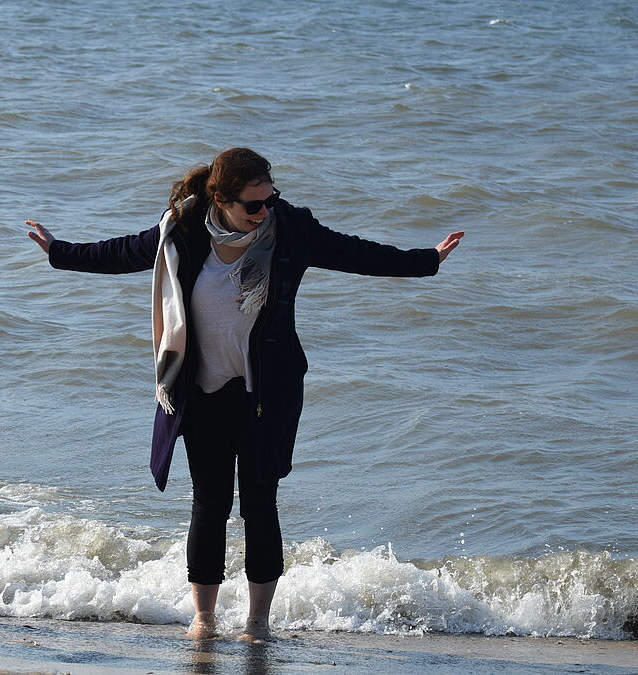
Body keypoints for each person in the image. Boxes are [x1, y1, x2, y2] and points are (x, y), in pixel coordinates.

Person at [25, 148, 463, 642]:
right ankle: (204, 618)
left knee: (260, 501)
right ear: (221, 199)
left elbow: (353, 253)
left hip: (267, 393)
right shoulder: (183, 229)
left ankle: (258, 621)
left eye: (269, 198)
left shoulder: (289, 230)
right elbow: (126, 252)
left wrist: (425, 260)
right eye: (253, 204)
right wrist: (61, 252)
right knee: (209, 503)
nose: (264, 210)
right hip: (203, 389)